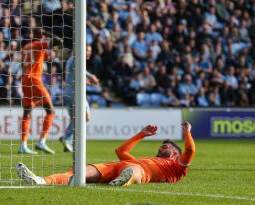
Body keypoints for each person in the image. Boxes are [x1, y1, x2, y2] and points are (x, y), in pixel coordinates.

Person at [16, 122, 195, 186]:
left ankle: (123, 180)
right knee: (79, 172)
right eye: (161, 146)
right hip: (117, 167)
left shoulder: (176, 169)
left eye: (165, 147)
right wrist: (141, 134)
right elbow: (121, 151)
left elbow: (190, 150)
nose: (160, 148)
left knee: (134, 171)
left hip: (138, 171)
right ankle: (41, 180)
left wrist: (187, 132)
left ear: (175, 154)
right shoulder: (144, 160)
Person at [19, 28, 62, 155]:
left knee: (27, 112)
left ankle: (23, 145)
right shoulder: (39, 44)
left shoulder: (26, 47)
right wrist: (47, 33)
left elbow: (43, 57)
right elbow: (59, 41)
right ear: (40, 36)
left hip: (25, 80)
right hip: (34, 80)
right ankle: (41, 142)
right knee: (51, 110)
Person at [59, 45, 100, 152]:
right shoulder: (76, 58)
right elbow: (82, 72)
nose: (89, 53)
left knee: (75, 118)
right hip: (75, 93)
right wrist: (92, 77)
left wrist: (87, 81)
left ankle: (68, 143)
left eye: (90, 51)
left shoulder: (71, 60)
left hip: (68, 92)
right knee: (85, 117)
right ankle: (66, 138)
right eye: (87, 50)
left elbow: (74, 76)